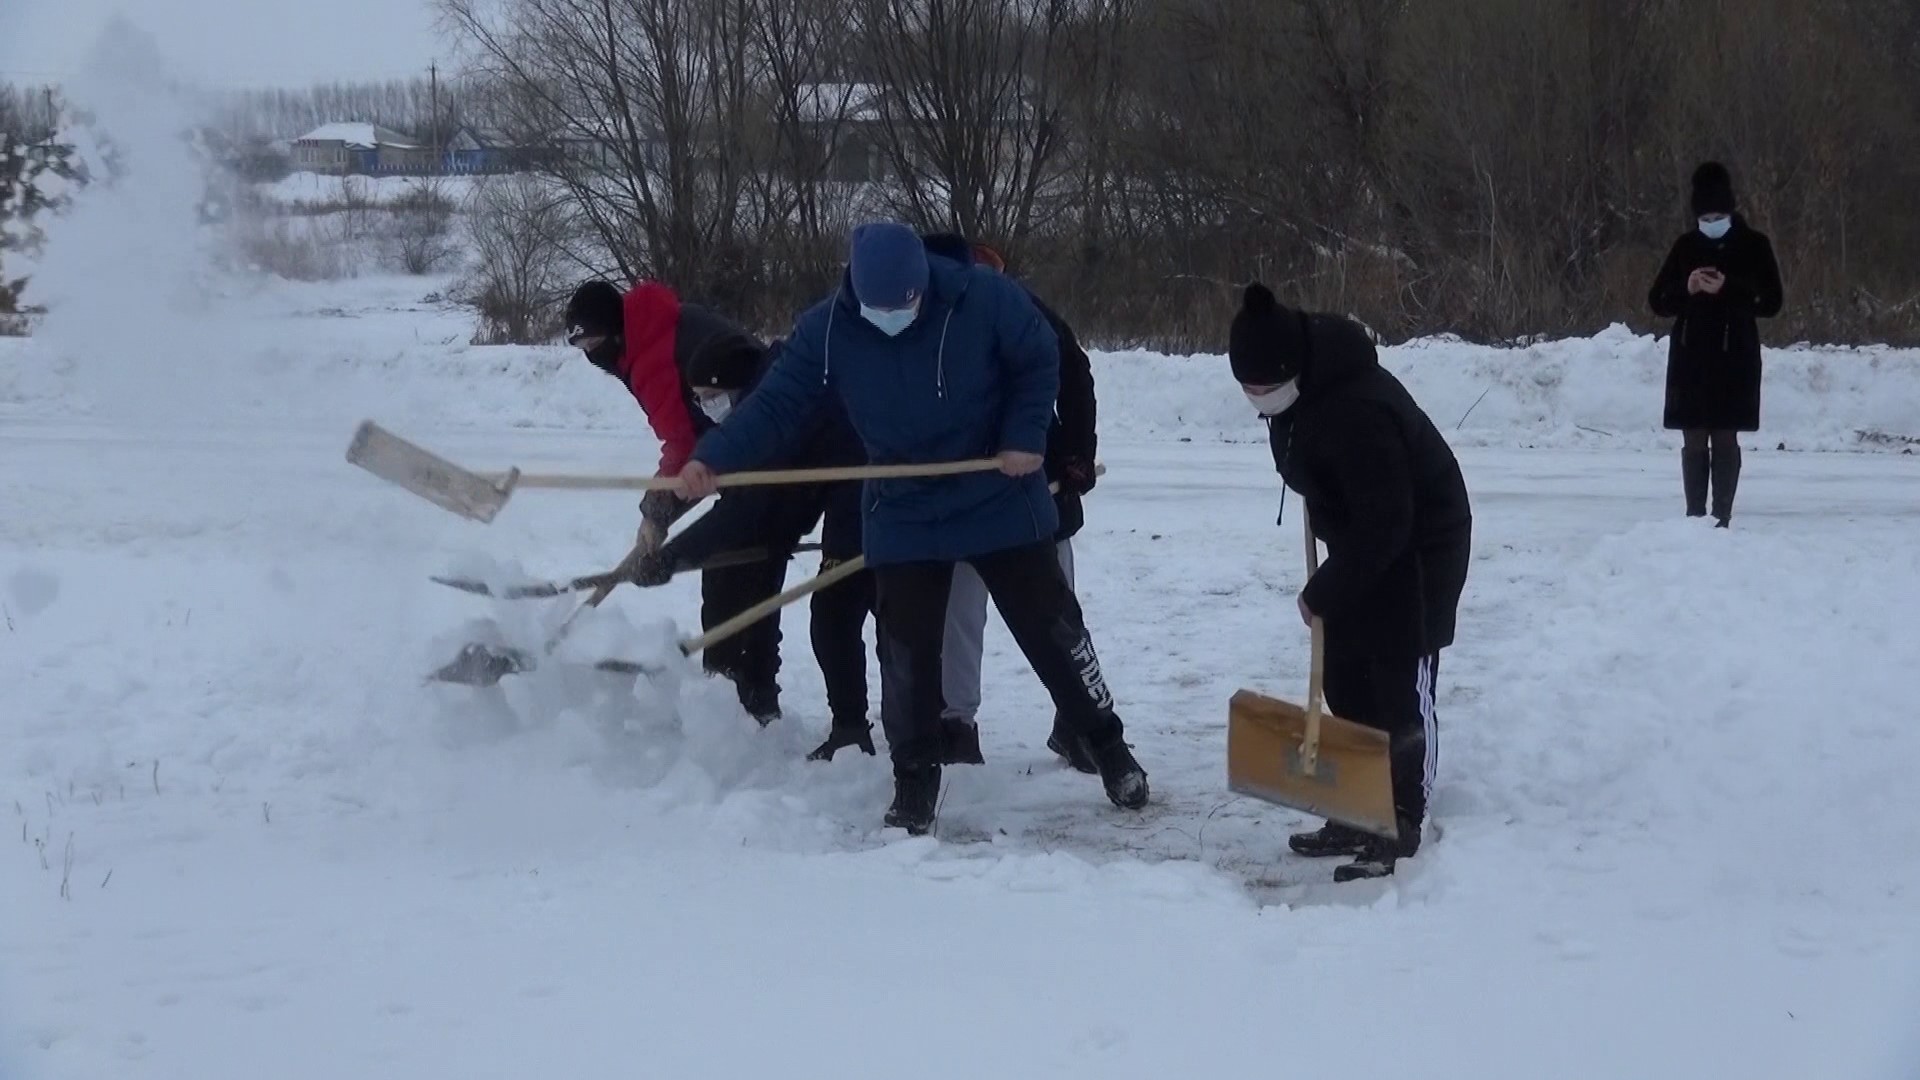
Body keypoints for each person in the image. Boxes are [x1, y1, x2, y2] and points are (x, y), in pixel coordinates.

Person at [673, 221, 1150, 836]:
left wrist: (1025, 437)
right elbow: (775, 406)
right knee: (906, 652)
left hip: (999, 492)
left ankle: (1109, 747)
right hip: (902, 507)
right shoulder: (829, 329)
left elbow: (1040, 359)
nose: (898, 316)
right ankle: (915, 780)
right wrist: (715, 459)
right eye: (884, 309)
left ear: (926, 281)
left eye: (908, 305)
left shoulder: (986, 297)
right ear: (856, 293)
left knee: (1053, 631)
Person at [1227, 281, 1472, 882]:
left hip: (1421, 542)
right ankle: (1357, 807)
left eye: (1264, 390)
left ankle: (1402, 815)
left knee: (1397, 676)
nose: (1258, 401)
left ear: (1292, 372)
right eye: (1247, 391)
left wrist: (1323, 591)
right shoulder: (1297, 391)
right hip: (1367, 537)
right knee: (1343, 670)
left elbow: (1389, 523)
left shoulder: (1358, 408)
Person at [620, 335, 880, 758]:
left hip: (866, 482)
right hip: (825, 479)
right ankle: (748, 699)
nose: (708, 408)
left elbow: (744, 512)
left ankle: (854, 731)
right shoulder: (761, 397)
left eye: (712, 397)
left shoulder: (777, 414)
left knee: (838, 610)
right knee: (745, 566)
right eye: (699, 399)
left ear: (735, 386)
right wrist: (664, 523)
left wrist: (670, 558)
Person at [562, 278, 791, 721]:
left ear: (612, 331)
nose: (593, 357)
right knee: (742, 569)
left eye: (593, 344)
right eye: (583, 348)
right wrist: (660, 513)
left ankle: (741, 704)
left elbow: (684, 444)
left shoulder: (653, 356)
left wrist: (657, 515)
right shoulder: (650, 329)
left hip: (763, 453)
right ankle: (742, 698)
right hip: (748, 445)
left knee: (741, 572)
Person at [919, 235, 1102, 773]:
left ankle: (1081, 719)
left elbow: (1074, 374)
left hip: (1032, 491)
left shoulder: (1021, 309)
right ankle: (955, 724)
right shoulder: (919, 320)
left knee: (1057, 609)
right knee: (959, 606)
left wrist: (1075, 455)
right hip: (957, 492)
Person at [1647, 161, 1784, 528]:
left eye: (1717, 214)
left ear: (1730, 209)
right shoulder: (1685, 246)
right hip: (1690, 359)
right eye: (1704, 216)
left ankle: (1722, 516)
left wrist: (1728, 288)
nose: (1710, 221)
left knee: (1725, 436)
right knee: (1694, 439)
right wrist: (1686, 289)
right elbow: (1657, 301)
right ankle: (1695, 516)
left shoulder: (1754, 246)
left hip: (1734, 355)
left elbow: (1772, 302)